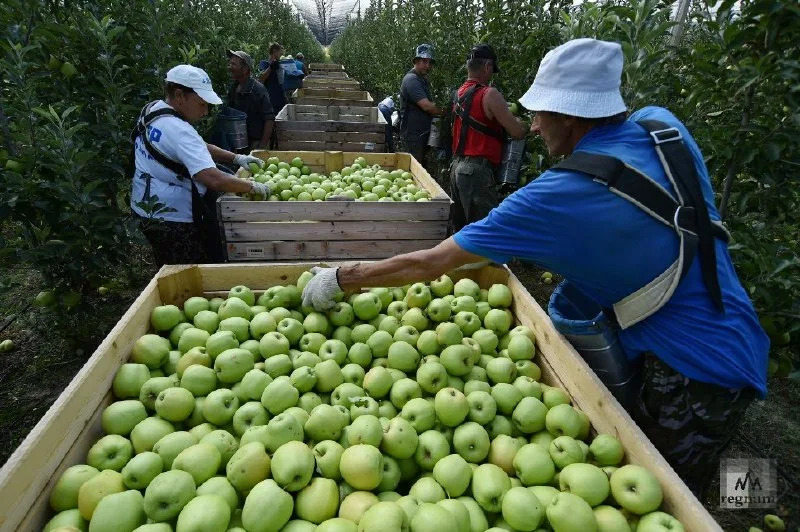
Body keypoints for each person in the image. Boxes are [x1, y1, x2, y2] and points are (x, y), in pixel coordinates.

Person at [301, 39, 769, 497]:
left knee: (677, 490)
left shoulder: (556, 195)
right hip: (738, 325)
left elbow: (434, 262)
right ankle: (745, 495)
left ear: (570, 117)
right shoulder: (662, 128)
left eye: (542, 111)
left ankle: (743, 500)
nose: (533, 123)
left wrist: (344, 276)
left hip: (695, 365)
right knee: (723, 451)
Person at [130, 64, 269, 266]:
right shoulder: (179, 129)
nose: (205, 111)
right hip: (172, 217)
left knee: (167, 262)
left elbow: (197, 146)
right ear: (179, 95)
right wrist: (252, 186)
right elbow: (212, 178)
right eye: (202, 104)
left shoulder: (154, 110)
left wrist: (236, 159)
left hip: (145, 206)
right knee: (189, 270)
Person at [449, 44, 527, 231]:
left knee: (461, 232)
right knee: (484, 232)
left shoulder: (458, 94)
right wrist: (522, 122)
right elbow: (517, 132)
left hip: (456, 167)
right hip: (476, 171)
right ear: (487, 66)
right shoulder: (489, 94)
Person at [398, 44, 443, 167]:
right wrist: (445, 112)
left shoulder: (422, 79)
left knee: (421, 168)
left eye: (430, 62)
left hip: (420, 135)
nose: (427, 66)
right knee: (414, 170)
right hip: (413, 136)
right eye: (424, 61)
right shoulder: (411, 80)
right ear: (416, 61)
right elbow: (426, 106)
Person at [226, 50, 275, 150]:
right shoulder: (234, 87)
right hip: (239, 141)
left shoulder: (258, 89)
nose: (229, 67)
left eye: (233, 64)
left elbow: (269, 119)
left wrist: (262, 146)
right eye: (229, 63)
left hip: (254, 143)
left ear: (245, 69)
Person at [258, 42, 287, 116]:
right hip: (271, 98)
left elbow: (281, 82)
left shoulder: (278, 65)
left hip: (280, 97)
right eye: (280, 54)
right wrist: (271, 67)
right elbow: (261, 79)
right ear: (274, 51)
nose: (280, 56)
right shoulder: (264, 64)